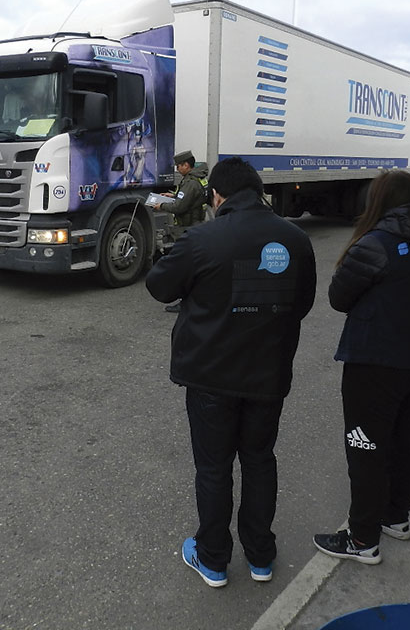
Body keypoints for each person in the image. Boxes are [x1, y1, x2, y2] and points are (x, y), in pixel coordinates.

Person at [146, 156, 317, 588]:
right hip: (268, 375)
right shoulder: (295, 239)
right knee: (260, 461)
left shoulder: (203, 239)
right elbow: (303, 304)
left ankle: (213, 560)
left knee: (214, 467)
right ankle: (261, 557)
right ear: (258, 191)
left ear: (217, 196)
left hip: (211, 378)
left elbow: (159, 287)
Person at [313, 169, 410, 565]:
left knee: (366, 448)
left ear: (378, 201)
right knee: (404, 441)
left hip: (377, 364)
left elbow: (339, 297)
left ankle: (361, 539)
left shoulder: (376, 244)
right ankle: (396, 518)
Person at [153, 150, 209, 312]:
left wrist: (161, 205)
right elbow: (186, 199)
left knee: (186, 269)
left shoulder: (190, 183)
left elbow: (180, 206)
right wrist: (171, 195)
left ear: (186, 165)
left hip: (187, 229)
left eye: (179, 166)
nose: (177, 168)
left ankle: (185, 302)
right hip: (194, 227)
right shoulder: (197, 179)